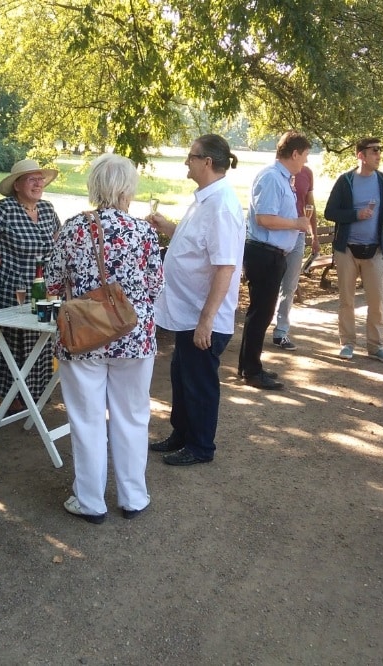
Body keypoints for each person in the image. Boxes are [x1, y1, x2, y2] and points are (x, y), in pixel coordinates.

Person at [46, 154, 163, 522]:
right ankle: (133, 497)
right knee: (132, 416)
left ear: (94, 186)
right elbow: (155, 286)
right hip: (133, 335)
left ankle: (91, 501)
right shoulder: (143, 231)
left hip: (84, 336)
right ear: (128, 188)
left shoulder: (72, 228)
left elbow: (51, 282)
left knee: (87, 419)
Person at [148, 134, 245, 466]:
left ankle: (201, 446)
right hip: (186, 310)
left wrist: (206, 320)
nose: (186, 162)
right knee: (181, 375)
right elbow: (196, 246)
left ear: (207, 162)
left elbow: (225, 266)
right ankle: (182, 433)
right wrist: (168, 228)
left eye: (191, 157)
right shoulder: (205, 199)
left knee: (200, 383)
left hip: (203, 316)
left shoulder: (221, 205)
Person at [0, 159, 60, 411]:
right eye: (32, 179)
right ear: (17, 185)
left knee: (40, 341)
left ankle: (34, 394)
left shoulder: (48, 209)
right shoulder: (5, 209)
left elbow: (56, 237)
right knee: (14, 342)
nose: (38, 183)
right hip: (11, 288)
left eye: (40, 179)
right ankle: (13, 397)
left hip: (41, 289)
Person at [238, 131, 312, 390]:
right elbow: (264, 218)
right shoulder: (271, 177)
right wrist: (297, 223)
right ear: (294, 153)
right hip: (264, 252)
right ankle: (251, 370)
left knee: (262, 312)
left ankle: (251, 365)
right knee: (261, 312)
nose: (305, 162)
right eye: (304, 155)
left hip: (273, 253)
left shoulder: (283, 178)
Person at [324, 137, 383, 364]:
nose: (378, 155)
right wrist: (356, 215)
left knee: (376, 300)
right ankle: (347, 343)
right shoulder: (345, 181)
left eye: (380, 150)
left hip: (375, 250)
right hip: (347, 250)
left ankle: (376, 347)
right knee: (347, 300)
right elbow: (330, 212)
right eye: (374, 150)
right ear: (360, 155)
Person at [272, 164, 319, 351]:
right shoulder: (274, 175)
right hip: (277, 234)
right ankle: (257, 330)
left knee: (289, 286)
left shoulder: (307, 172)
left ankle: (281, 332)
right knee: (269, 284)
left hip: (298, 235)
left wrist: (314, 235)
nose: (305, 157)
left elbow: (310, 205)